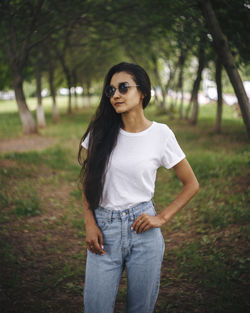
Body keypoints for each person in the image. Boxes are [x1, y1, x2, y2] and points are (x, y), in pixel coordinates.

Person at [78, 62, 199, 313]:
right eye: (111, 90)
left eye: (123, 87)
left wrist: (162, 217)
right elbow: (87, 180)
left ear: (142, 91)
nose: (116, 95)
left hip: (143, 232)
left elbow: (191, 184)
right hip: (103, 231)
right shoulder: (100, 132)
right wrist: (90, 223)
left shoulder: (161, 135)